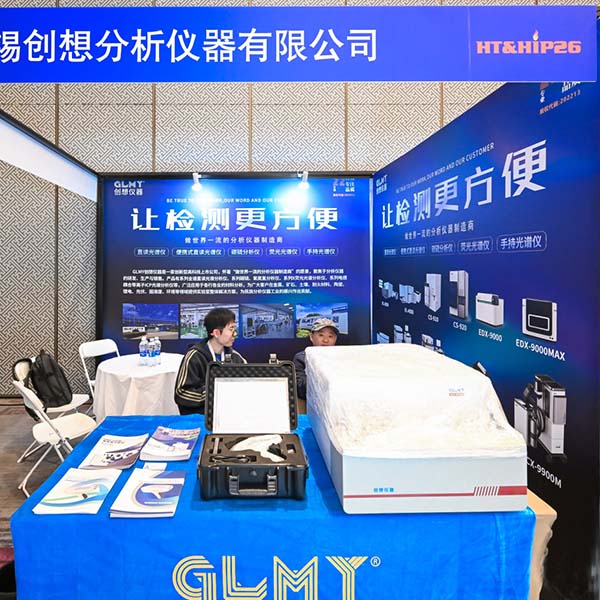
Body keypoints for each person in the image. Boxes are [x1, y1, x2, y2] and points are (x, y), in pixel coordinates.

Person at [174, 307, 246, 415]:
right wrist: (214, 392)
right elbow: (181, 394)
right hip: (201, 417)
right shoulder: (194, 356)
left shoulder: (236, 357)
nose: (235, 334)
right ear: (216, 333)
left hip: (230, 415)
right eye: (231, 329)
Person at [293, 317, 339, 400]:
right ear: (311, 337)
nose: (326, 340)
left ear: (335, 339)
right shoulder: (301, 358)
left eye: (330, 336)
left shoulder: (341, 358)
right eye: (321, 335)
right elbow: (300, 390)